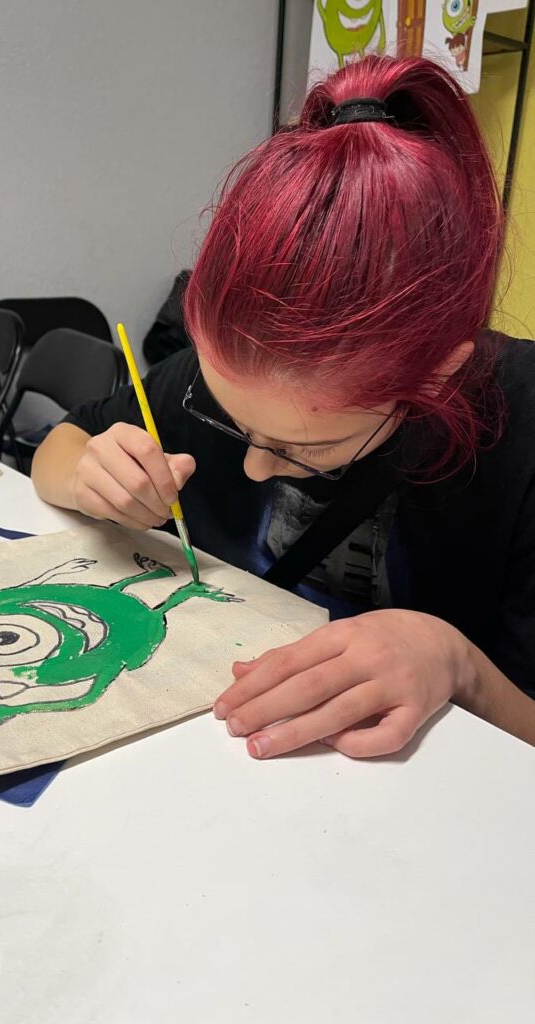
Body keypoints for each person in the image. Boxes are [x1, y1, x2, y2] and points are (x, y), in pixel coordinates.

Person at [31, 55, 535, 759]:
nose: (255, 467)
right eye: (230, 421)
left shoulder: (521, 423)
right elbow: (60, 445)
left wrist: (458, 664)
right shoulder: (234, 359)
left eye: (306, 448)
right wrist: (90, 471)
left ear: (437, 375)